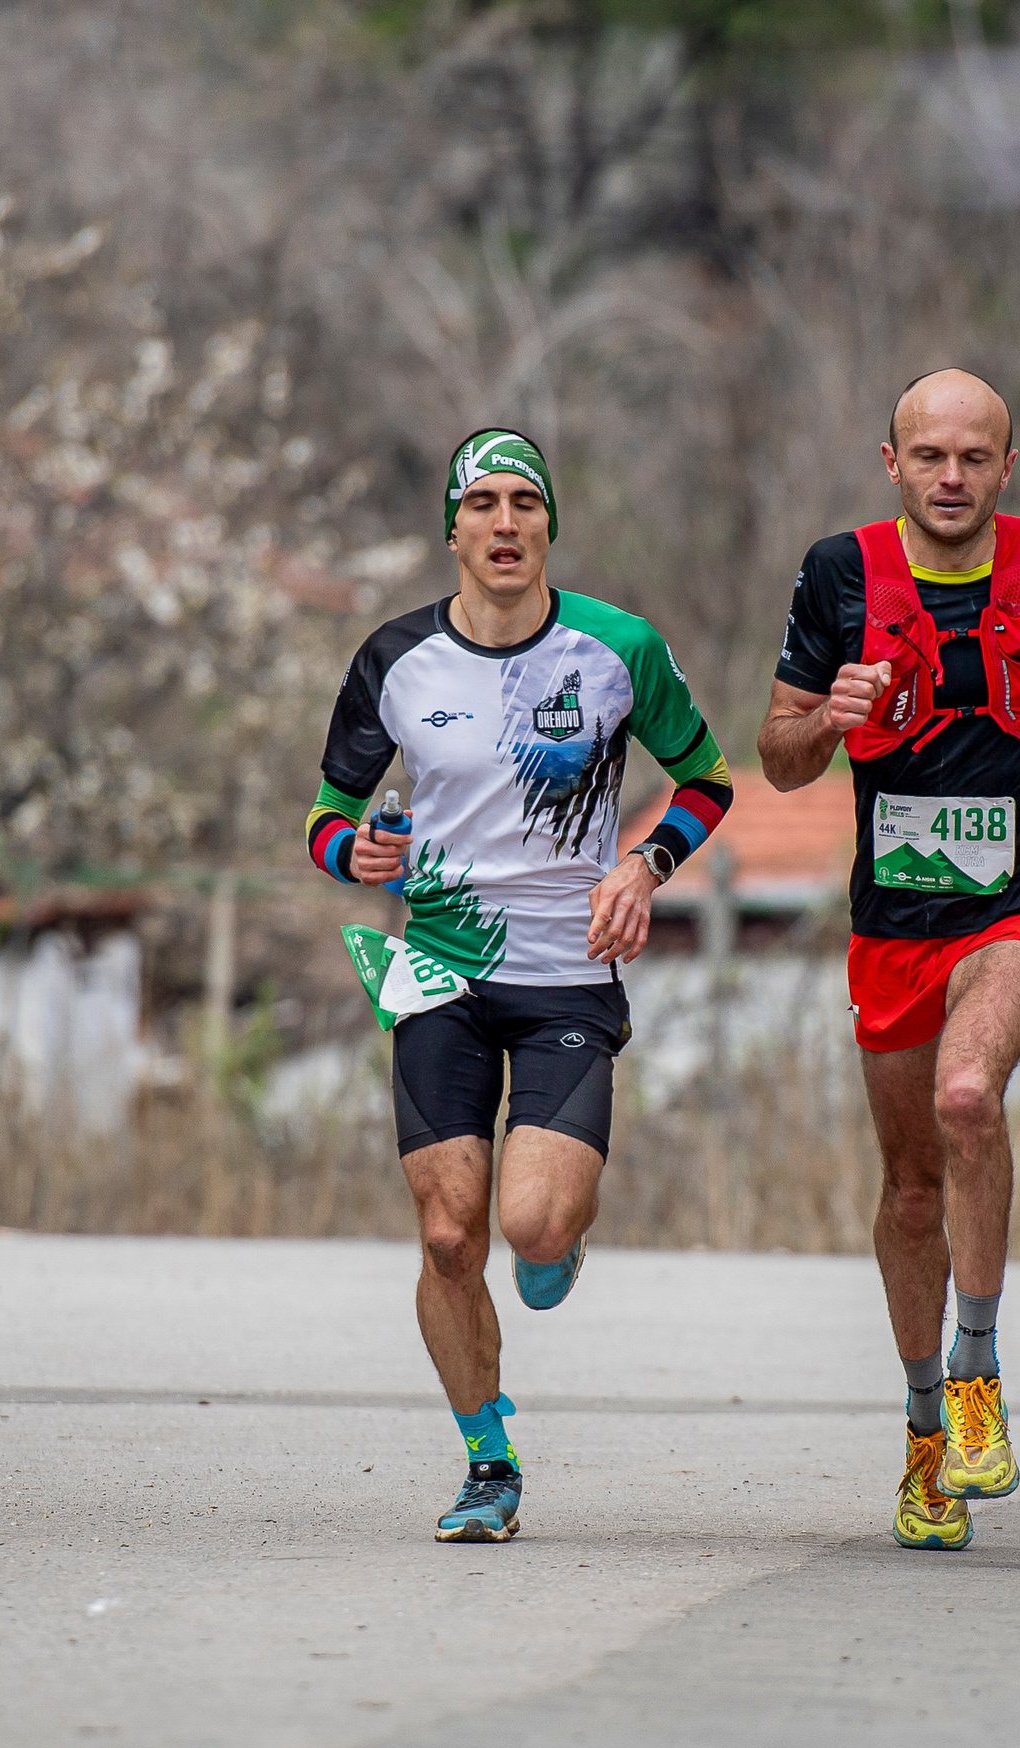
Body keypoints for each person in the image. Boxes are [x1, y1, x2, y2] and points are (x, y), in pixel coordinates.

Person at [757, 369, 1020, 1550]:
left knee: (967, 1094)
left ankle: (978, 1371)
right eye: (927, 456)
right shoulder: (838, 574)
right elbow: (775, 756)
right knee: (910, 1189)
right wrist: (827, 721)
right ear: (891, 463)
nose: (949, 477)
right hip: (894, 923)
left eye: (971, 458)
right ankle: (925, 1437)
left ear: (1005, 466)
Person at [306, 428, 735, 1542]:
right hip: (438, 968)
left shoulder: (616, 649)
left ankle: (557, 1244)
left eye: (525, 505)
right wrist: (347, 852)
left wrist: (646, 863)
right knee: (450, 1237)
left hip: (565, 980)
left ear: (550, 526)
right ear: (450, 527)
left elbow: (707, 777)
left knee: (530, 1227)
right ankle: (486, 1459)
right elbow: (325, 812)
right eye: (483, 503)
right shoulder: (393, 659)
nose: (505, 524)